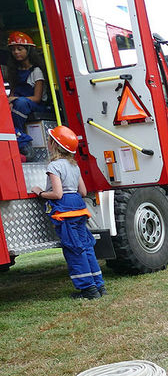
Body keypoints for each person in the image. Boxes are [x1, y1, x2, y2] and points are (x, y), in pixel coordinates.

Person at [29, 126, 105, 299]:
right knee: (86, 247)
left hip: (65, 210)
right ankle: (99, 285)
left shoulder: (54, 166)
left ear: (54, 145)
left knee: (74, 249)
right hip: (79, 208)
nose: (47, 143)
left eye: (49, 140)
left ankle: (88, 290)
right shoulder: (74, 165)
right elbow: (83, 192)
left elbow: (57, 194)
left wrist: (39, 192)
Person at [6, 31, 51, 159]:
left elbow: (37, 98)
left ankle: (23, 141)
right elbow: (13, 94)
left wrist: (15, 99)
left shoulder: (36, 71)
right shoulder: (14, 72)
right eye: (13, 50)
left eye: (19, 49)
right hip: (19, 104)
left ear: (28, 50)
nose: (16, 52)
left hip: (35, 105)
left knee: (20, 103)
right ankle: (20, 138)